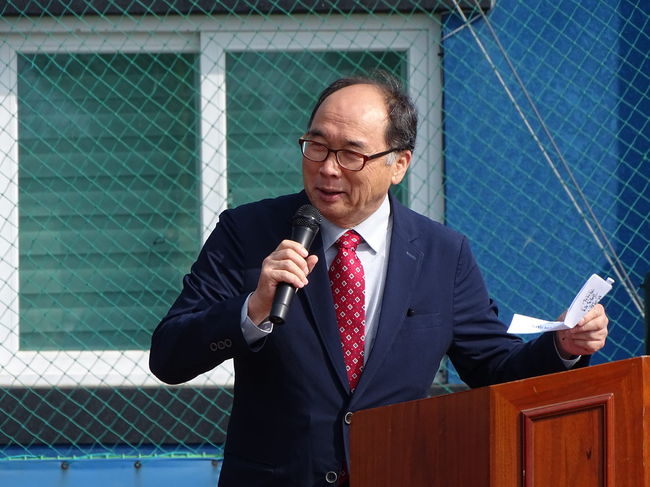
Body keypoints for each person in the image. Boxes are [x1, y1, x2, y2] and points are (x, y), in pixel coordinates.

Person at [149, 73, 608, 487]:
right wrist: (252, 310)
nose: (328, 168)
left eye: (351, 154)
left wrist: (562, 346)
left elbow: (492, 368)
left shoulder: (442, 254)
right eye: (317, 146)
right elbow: (169, 357)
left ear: (399, 163)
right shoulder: (247, 234)